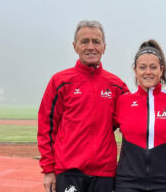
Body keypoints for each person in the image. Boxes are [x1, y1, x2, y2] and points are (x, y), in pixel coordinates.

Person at [37, 20, 129, 192]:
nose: (90, 46)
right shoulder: (60, 82)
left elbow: (131, 122)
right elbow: (46, 127)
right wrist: (48, 170)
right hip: (69, 171)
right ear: (75, 46)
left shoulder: (116, 86)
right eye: (84, 41)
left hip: (104, 173)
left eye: (96, 41)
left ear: (104, 46)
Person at [114, 40, 166, 192]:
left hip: (164, 182)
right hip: (127, 182)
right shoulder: (123, 101)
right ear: (135, 70)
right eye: (142, 67)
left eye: (153, 67)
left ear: (161, 70)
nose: (148, 72)